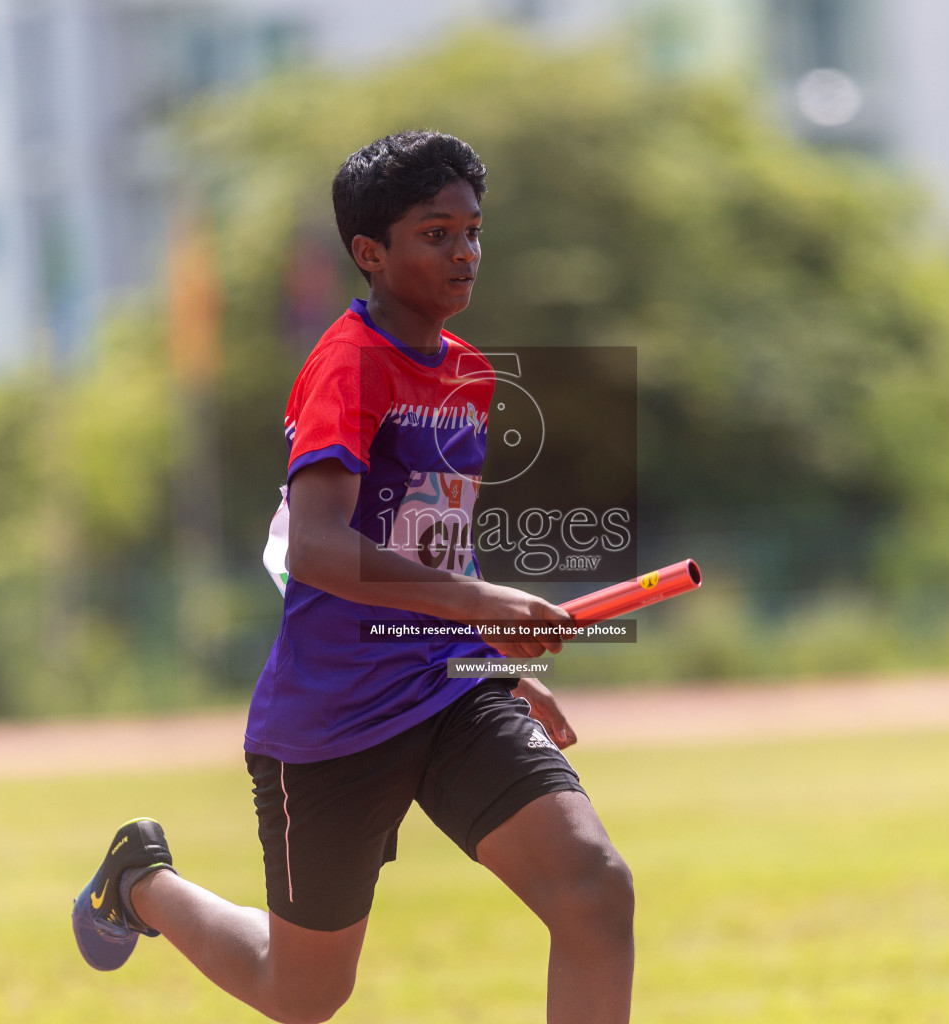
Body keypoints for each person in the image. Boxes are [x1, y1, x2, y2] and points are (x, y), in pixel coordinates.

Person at [71, 130, 634, 1024]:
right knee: (303, 995)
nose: (465, 253)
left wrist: (497, 655)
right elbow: (319, 548)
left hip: (449, 694)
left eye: (473, 230)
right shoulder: (348, 364)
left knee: (595, 889)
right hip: (334, 726)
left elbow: (437, 545)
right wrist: (483, 606)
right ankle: (141, 883)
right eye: (436, 233)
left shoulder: (470, 375)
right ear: (371, 253)